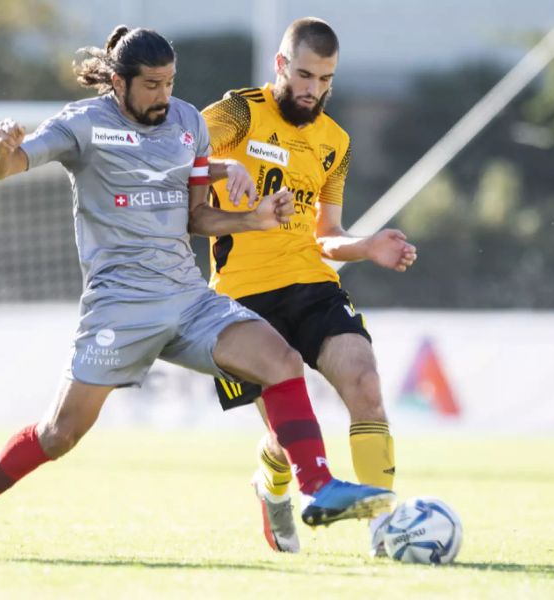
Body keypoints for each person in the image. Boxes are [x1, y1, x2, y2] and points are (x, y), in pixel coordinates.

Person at [0, 26, 395, 551]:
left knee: (282, 361)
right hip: (121, 305)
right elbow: (7, 168)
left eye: (170, 83)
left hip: (188, 298)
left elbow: (198, 216)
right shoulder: (83, 124)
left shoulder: (188, 121)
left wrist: (252, 216)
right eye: (152, 86)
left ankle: (318, 488)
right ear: (119, 83)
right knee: (59, 434)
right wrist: (1, 150)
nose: (165, 97)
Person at [201, 17, 417, 554]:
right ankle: (271, 484)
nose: (313, 90)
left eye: (325, 80)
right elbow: (175, 153)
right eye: (303, 75)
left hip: (312, 286)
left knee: (366, 385)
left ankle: (383, 530)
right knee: (283, 435)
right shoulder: (237, 111)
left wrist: (365, 247)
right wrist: (226, 169)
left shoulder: (335, 143)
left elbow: (327, 236)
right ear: (280, 65)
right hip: (240, 297)